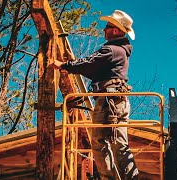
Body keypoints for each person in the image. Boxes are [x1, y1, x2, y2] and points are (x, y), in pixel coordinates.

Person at [52, 10, 139, 180]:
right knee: (119, 144)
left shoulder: (112, 50)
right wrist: (73, 64)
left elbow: (90, 64)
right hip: (116, 101)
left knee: (100, 143)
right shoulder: (120, 52)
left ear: (116, 30)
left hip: (109, 101)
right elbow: (93, 69)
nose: (104, 30)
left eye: (107, 26)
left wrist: (64, 65)